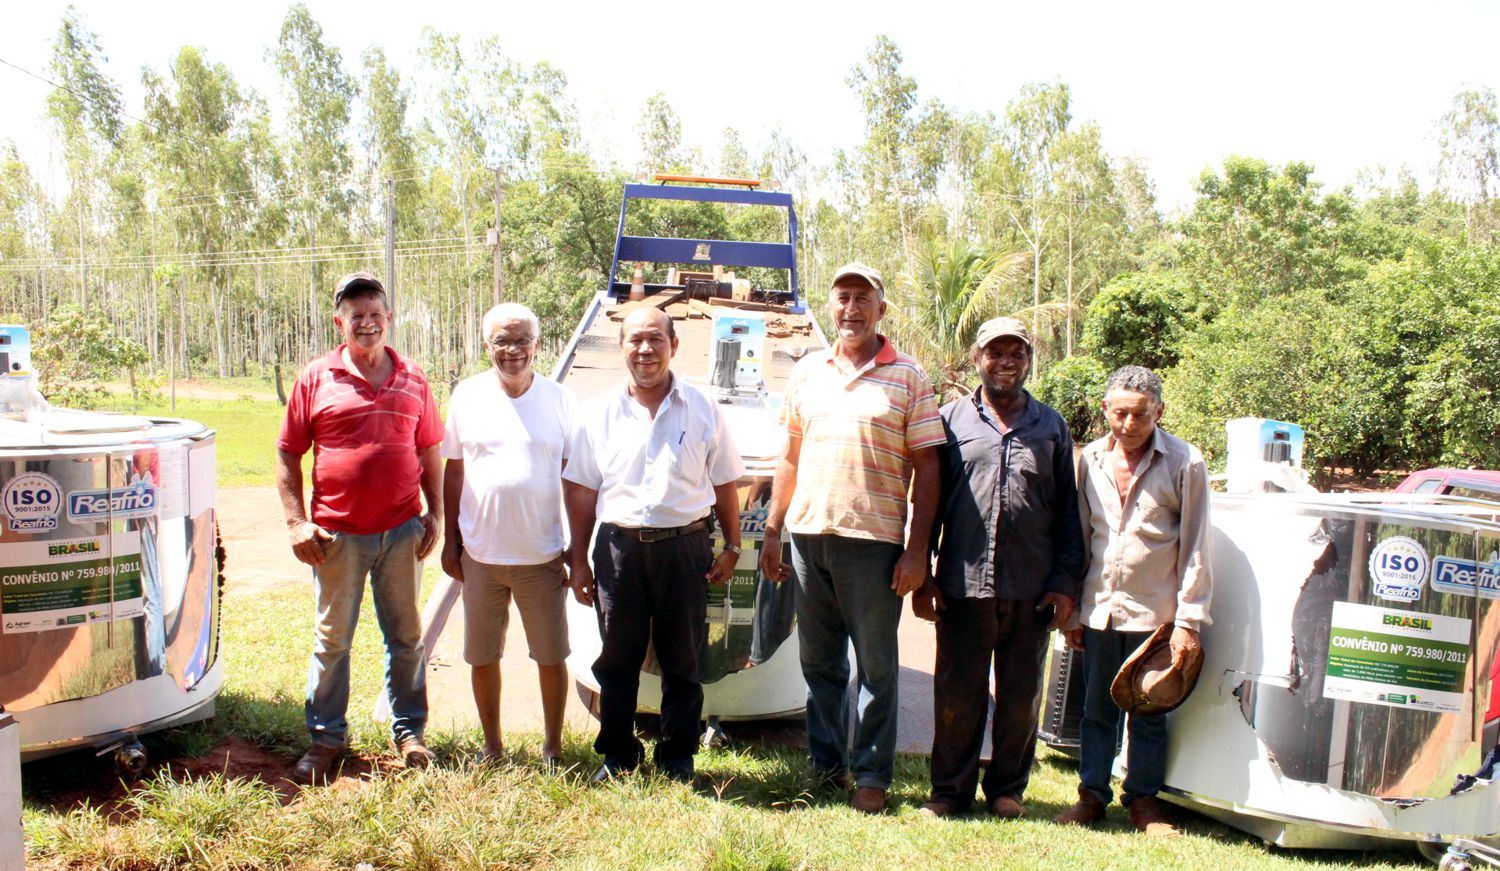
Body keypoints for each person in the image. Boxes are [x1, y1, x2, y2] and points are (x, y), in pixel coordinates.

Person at [759, 262, 945, 814]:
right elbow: (789, 456)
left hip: (874, 543)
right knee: (819, 663)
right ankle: (825, 767)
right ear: (831, 304)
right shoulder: (806, 372)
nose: (851, 308)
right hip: (807, 537)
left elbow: (929, 469)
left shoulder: (908, 376)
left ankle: (871, 776)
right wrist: (772, 529)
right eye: (842, 297)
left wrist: (917, 551)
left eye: (863, 298)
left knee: (877, 668)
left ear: (880, 310)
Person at [562, 306, 745, 784]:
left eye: (656, 339)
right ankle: (618, 754)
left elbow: (725, 481)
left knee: (683, 659)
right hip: (618, 551)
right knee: (617, 659)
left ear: (674, 346)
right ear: (621, 347)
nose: (645, 349)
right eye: (635, 340)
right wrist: (579, 561)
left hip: (685, 550)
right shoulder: (598, 412)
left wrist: (732, 546)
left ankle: (678, 756)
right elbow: (581, 490)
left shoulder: (702, 408)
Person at [276, 271, 443, 784]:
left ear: (388, 318)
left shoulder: (414, 377)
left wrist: (435, 513)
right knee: (332, 640)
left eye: (374, 314)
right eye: (356, 316)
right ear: (339, 322)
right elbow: (288, 453)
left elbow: (429, 450)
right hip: (336, 537)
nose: (366, 323)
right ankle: (326, 739)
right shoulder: (315, 378)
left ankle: (410, 733)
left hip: (401, 531)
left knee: (407, 637)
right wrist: (296, 522)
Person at [914, 317, 1084, 819]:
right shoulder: (948, 421)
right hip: (963, 584)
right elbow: (929, 502)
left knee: (1020, 696)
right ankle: (949, 792)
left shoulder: (1051, 426)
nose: (1006, 362)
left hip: (1032, 589)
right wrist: (924, 574)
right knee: (957, 694)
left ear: (1028, 360)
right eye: (996, 352)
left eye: (1017, 353)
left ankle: (1007, 790)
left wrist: (1064, 584)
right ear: (977, 358)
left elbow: (1068, 513)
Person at [1053, 364, 1213, 835]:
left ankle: (1143, 803)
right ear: (1106, 409)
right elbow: (1082, 539)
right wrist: (1075, 612)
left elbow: (1196, 545)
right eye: (1120, 413)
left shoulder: (1185, 462)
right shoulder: (1090, 459)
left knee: (1149, 712)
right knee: (1096, 711)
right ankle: (1091, 797)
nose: (1128, 424)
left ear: (1159, 412)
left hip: (1156, 615)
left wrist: (1188, 621)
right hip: (1101, 609)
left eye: (1140, 415)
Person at [440, 302, 575, 767]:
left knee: (551, 655)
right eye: (502, 340)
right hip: (481, 556)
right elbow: (455, 471)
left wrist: (577, 550)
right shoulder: (468, 396)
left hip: (541, 556)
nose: (513, 350)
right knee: (482, 656)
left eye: (522, 340)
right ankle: (492, 747)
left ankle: (552, 748)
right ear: (487, 346)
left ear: (537, 344)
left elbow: (574, 478)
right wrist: (451, 541)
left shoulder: (560, 400)